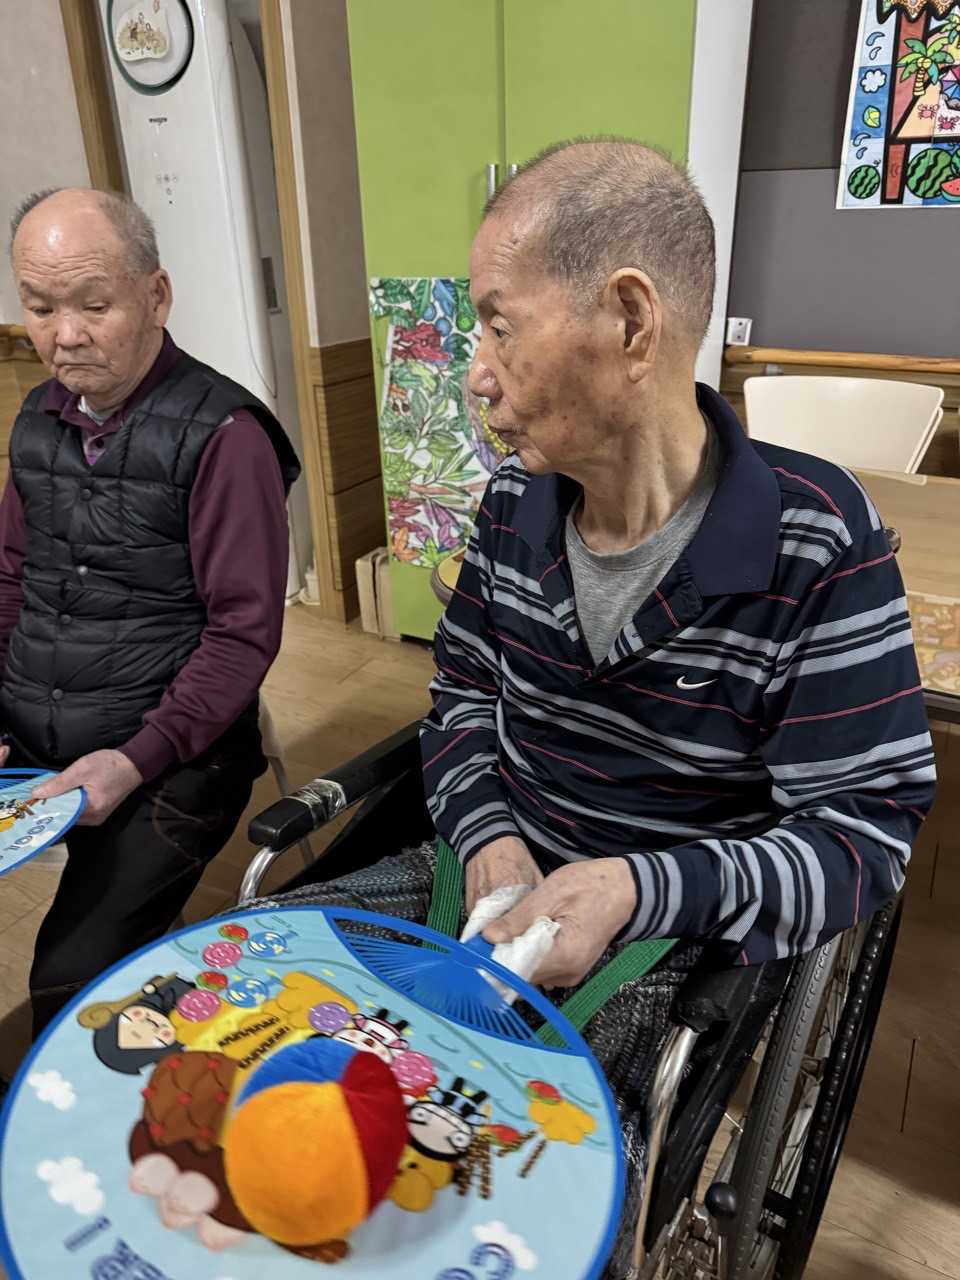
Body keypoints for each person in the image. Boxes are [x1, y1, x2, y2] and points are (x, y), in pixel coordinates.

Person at [244, 140, 936, 1276]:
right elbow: (462, 694)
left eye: (497, 325)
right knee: (241, 1007)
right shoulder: (514, 501)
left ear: (629, 320)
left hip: (658, 939)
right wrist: (489, 835)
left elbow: (863, 834)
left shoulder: (819, 540)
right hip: (479, 880)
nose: (476, 375)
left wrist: (631, 887)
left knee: (521, 1205)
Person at [3, 188, 300, 1036]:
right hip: (34, 732)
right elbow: (10, 580)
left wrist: (132, 761)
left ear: (156, 296)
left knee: (69, 983)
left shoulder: (225, 436)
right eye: (40, 308)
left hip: (168, 759)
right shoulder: (37, 421)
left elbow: (243, 635)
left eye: (93, 305)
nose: (66, 335)